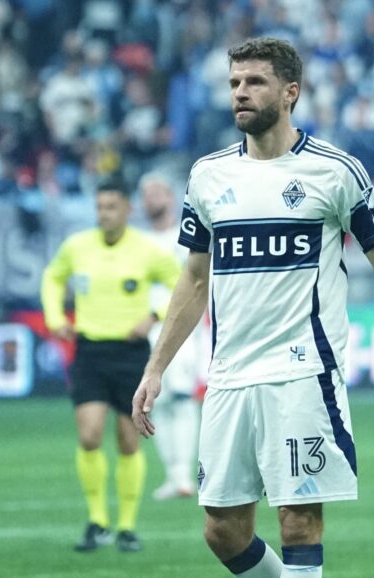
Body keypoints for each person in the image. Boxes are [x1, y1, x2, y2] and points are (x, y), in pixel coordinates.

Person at [131, 37, 374, 577]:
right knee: (222, 528)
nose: (240, 92)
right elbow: (193, 281)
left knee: (298, 521)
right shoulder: (208, 177)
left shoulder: (336, 172)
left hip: (302, 372)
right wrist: (157, 366)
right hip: (230, 375)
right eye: (235, 82)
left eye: (254, 82)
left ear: (291, 92)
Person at [40, 177, 181, 553]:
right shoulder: (77, 247)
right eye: (100, 207)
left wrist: (153, 315)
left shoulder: (146, 250)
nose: (104, 214)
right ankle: (97, 520)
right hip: (88, 350)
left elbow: (183, 285)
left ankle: (127, 526)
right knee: (88, 436)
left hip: (130, 354)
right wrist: (55, 318)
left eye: (111, 207)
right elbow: (53, 278)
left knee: (127, 440)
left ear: (127, 210)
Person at [140, 171, 203, 500]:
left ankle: (185, 474)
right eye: (146, 194)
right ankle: (174, 475)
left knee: (181, 397)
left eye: (157, 192)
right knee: (155, 402)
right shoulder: (138, 242)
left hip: (181, 329)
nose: (152, 199)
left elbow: (194, 285)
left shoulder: (186, 238)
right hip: (144, 332)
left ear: (170, 196)